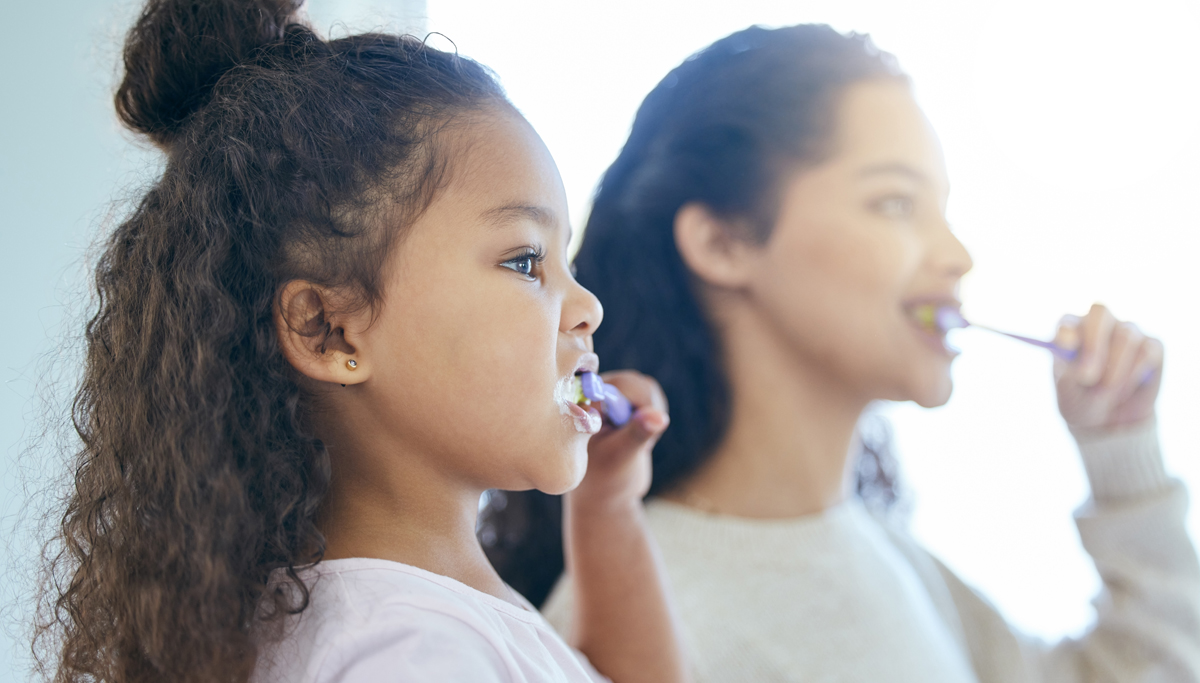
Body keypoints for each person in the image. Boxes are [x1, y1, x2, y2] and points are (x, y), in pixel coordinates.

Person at [485, 24, 1200, 682]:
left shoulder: (890, 559)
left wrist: (1121, 451)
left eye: (942, 209)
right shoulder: (628, 625)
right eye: (894, 203)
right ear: (723, 242)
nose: (957, 254)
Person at [33, 2, 690, 682]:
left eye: (568, 262)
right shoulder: (408, 652)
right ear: (330, 330)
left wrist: (605, 504)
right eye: (525, 261)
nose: (587, 306)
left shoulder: (411, 617)